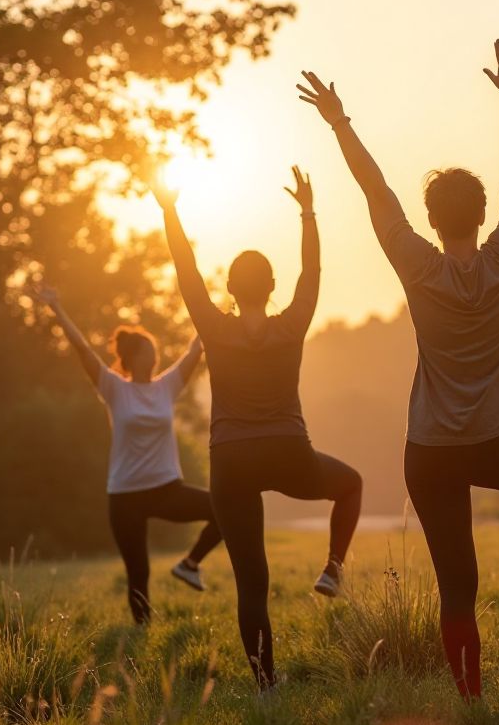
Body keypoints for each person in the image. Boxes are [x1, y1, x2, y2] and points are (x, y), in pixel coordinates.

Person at [299, 39, 499, 703]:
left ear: (433, 221)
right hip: (498, 443)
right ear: (483, 215)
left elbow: (376, 190)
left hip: (430, 451)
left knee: (457, 587)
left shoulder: (417, 265)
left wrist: (339, 122)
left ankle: (471, 699)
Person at [153, 166, 362, 690]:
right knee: (351, 485)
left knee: (253, 584)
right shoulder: (290, 326)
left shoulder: (213, 327)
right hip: (288, 450)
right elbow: (311, 272)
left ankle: (266, 686)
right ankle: (332, 570)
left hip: (231, 460)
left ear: (228, 287)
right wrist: (307, 212)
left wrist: (170, 210)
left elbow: (185, 269)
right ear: (271, 287)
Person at [31, 285, 222, 623]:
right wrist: (57, 308)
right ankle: (141, 630)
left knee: (224, 509)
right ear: (132, 358)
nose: (155, 355)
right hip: (125, 495)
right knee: (138, 571)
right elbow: (82, 348)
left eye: (154, 350)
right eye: (148, 350)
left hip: (166, 489)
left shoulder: (167, 386)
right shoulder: (114, 388)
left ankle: (190, 564)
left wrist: (213, 309)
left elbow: (196, 347)